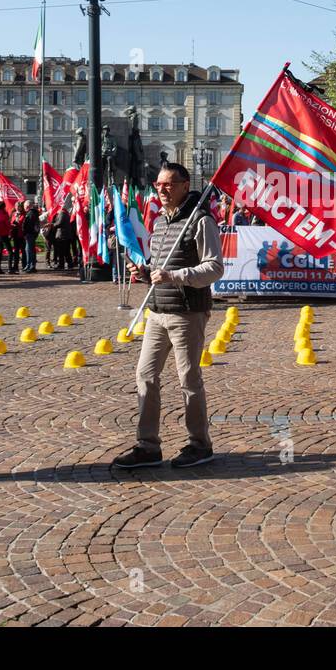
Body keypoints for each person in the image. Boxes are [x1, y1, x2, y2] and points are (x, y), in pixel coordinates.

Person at [114, 162, 225, 470]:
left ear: (185, 186)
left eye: (168, 185)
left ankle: (199, 444)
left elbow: (214, 267)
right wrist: (146, 274)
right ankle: (148, 445)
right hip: (157, 312)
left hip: (187, 312)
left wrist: (175, 276)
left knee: (189, 379)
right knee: (145, 376)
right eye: (158, 185)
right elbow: (161, 270)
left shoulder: (201, 221)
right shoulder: (160, 222)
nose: (162, 190)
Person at [21, 200, 40, 273]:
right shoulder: (32, 213)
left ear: (27, 206)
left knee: (30, 250)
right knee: (28, 250)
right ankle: (29, 265)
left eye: (24, 206)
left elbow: (29, 225)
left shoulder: (31, 213)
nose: (24, 208)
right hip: (30, 234)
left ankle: (31, 266)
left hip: (30, 234)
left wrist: (25, 232)